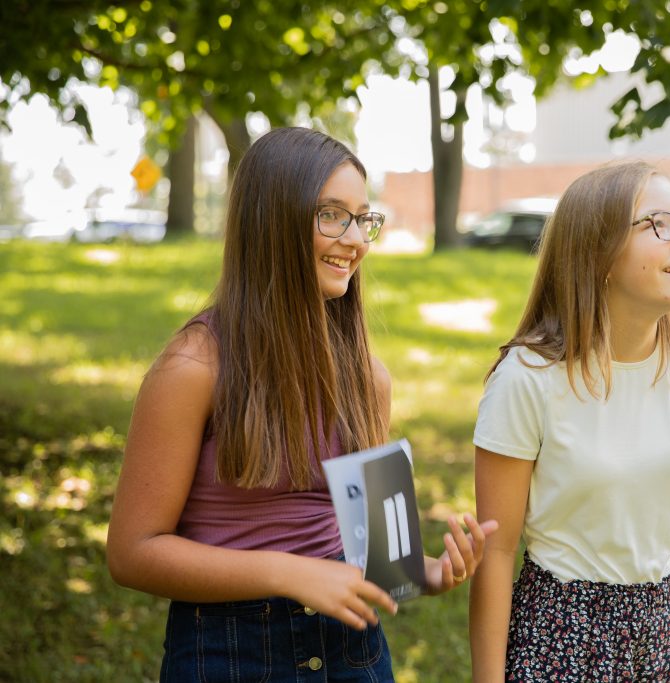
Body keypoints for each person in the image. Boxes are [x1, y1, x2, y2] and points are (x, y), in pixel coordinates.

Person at [107, 127, 496, 682]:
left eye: (363, 218)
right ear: (272, 221)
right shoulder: (193, 369)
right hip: (230, 651)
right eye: (332, 215)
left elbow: (381, 556)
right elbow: (132, 552)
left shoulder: (369, 378)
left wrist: (431, 572)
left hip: (351, 652)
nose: (356, 239)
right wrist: (290, 574)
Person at [469, 161, 670, 682]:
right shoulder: (528, 378)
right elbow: (495, 552)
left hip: (662, 638)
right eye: (661, 224)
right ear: (599, 253)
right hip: (561, 639)